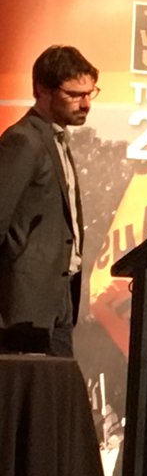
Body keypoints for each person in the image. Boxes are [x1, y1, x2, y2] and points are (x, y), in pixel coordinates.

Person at [0, 46, 98, 357]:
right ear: (42, 90)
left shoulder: (57, 140)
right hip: (24, 306)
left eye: (90, 93)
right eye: (74, 94)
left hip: (59, 296)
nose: (86, 104)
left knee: (56, 384)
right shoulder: (23, 140)